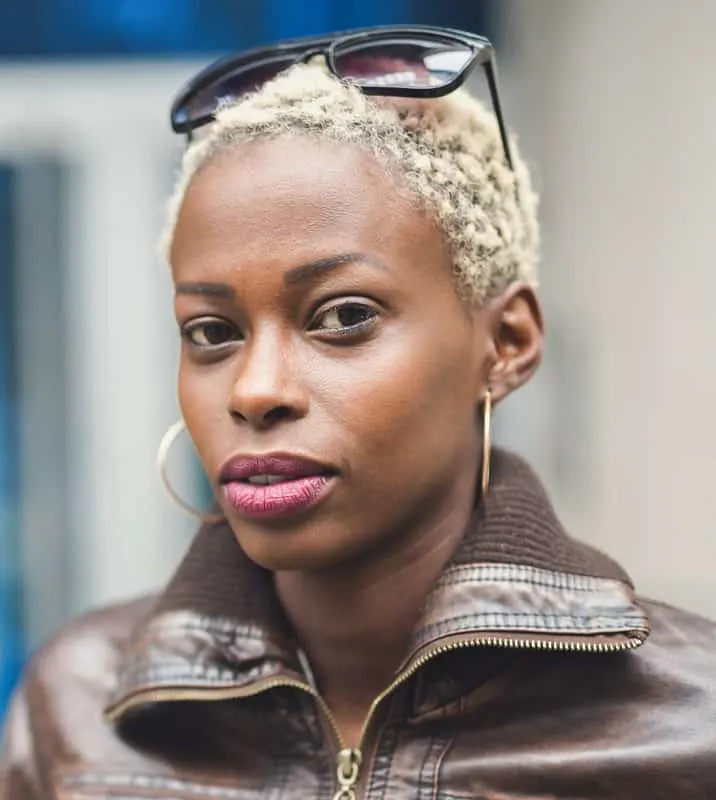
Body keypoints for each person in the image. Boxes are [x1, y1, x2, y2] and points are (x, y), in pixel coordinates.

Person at [2, 25, 716, 800]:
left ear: (505, 343)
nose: (254, 390)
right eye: (212, 332)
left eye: (342, 317)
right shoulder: (79, 708)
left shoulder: (688, 723)